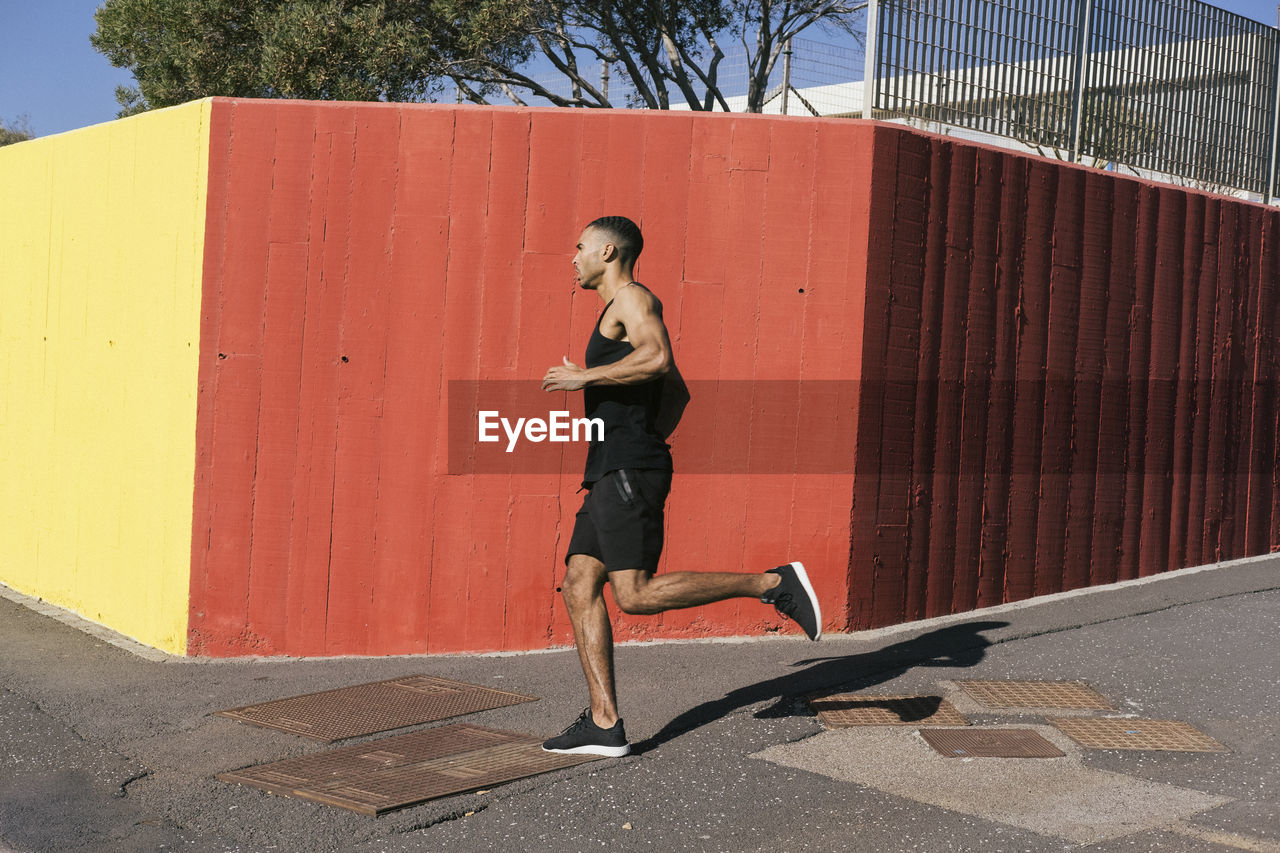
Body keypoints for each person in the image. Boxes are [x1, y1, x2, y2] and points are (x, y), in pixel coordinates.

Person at [539, 215, 822, 757]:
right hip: (614, 466)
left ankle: (772, 584)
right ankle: (604, 724)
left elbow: (659, 359)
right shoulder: (613, 311)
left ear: (607, 252)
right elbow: (679, 392)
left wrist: (589, 381)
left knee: (635, 594)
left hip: (627, 469)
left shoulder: (634, 300)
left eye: (579, 248)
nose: (571, 258)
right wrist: (639, 435)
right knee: (579, 584)